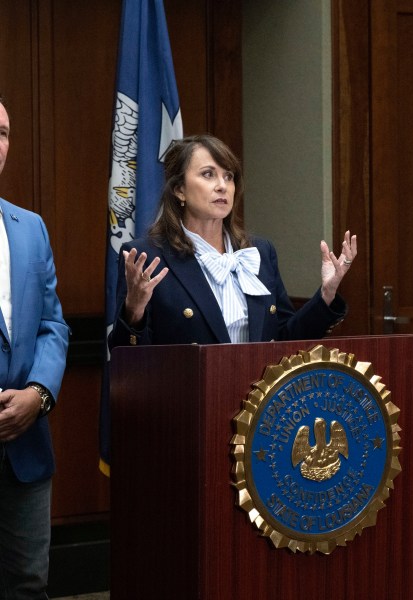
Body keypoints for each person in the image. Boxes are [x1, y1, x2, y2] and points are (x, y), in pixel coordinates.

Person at [109, 134, 357, 349]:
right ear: (179, 190)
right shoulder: (146, 256)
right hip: (188, 399)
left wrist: (326, 294)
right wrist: (134, 310)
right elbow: (126, 359)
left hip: (258, 400)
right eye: (208, 175)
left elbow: (285, 340)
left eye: (228, 177)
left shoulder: (258, 251)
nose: (222, 186)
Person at [0, 95, 69, 599]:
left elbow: (52, 323)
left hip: (24, 444)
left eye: (2, 133)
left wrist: (40, 393)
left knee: (28, 585)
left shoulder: (31, 227)